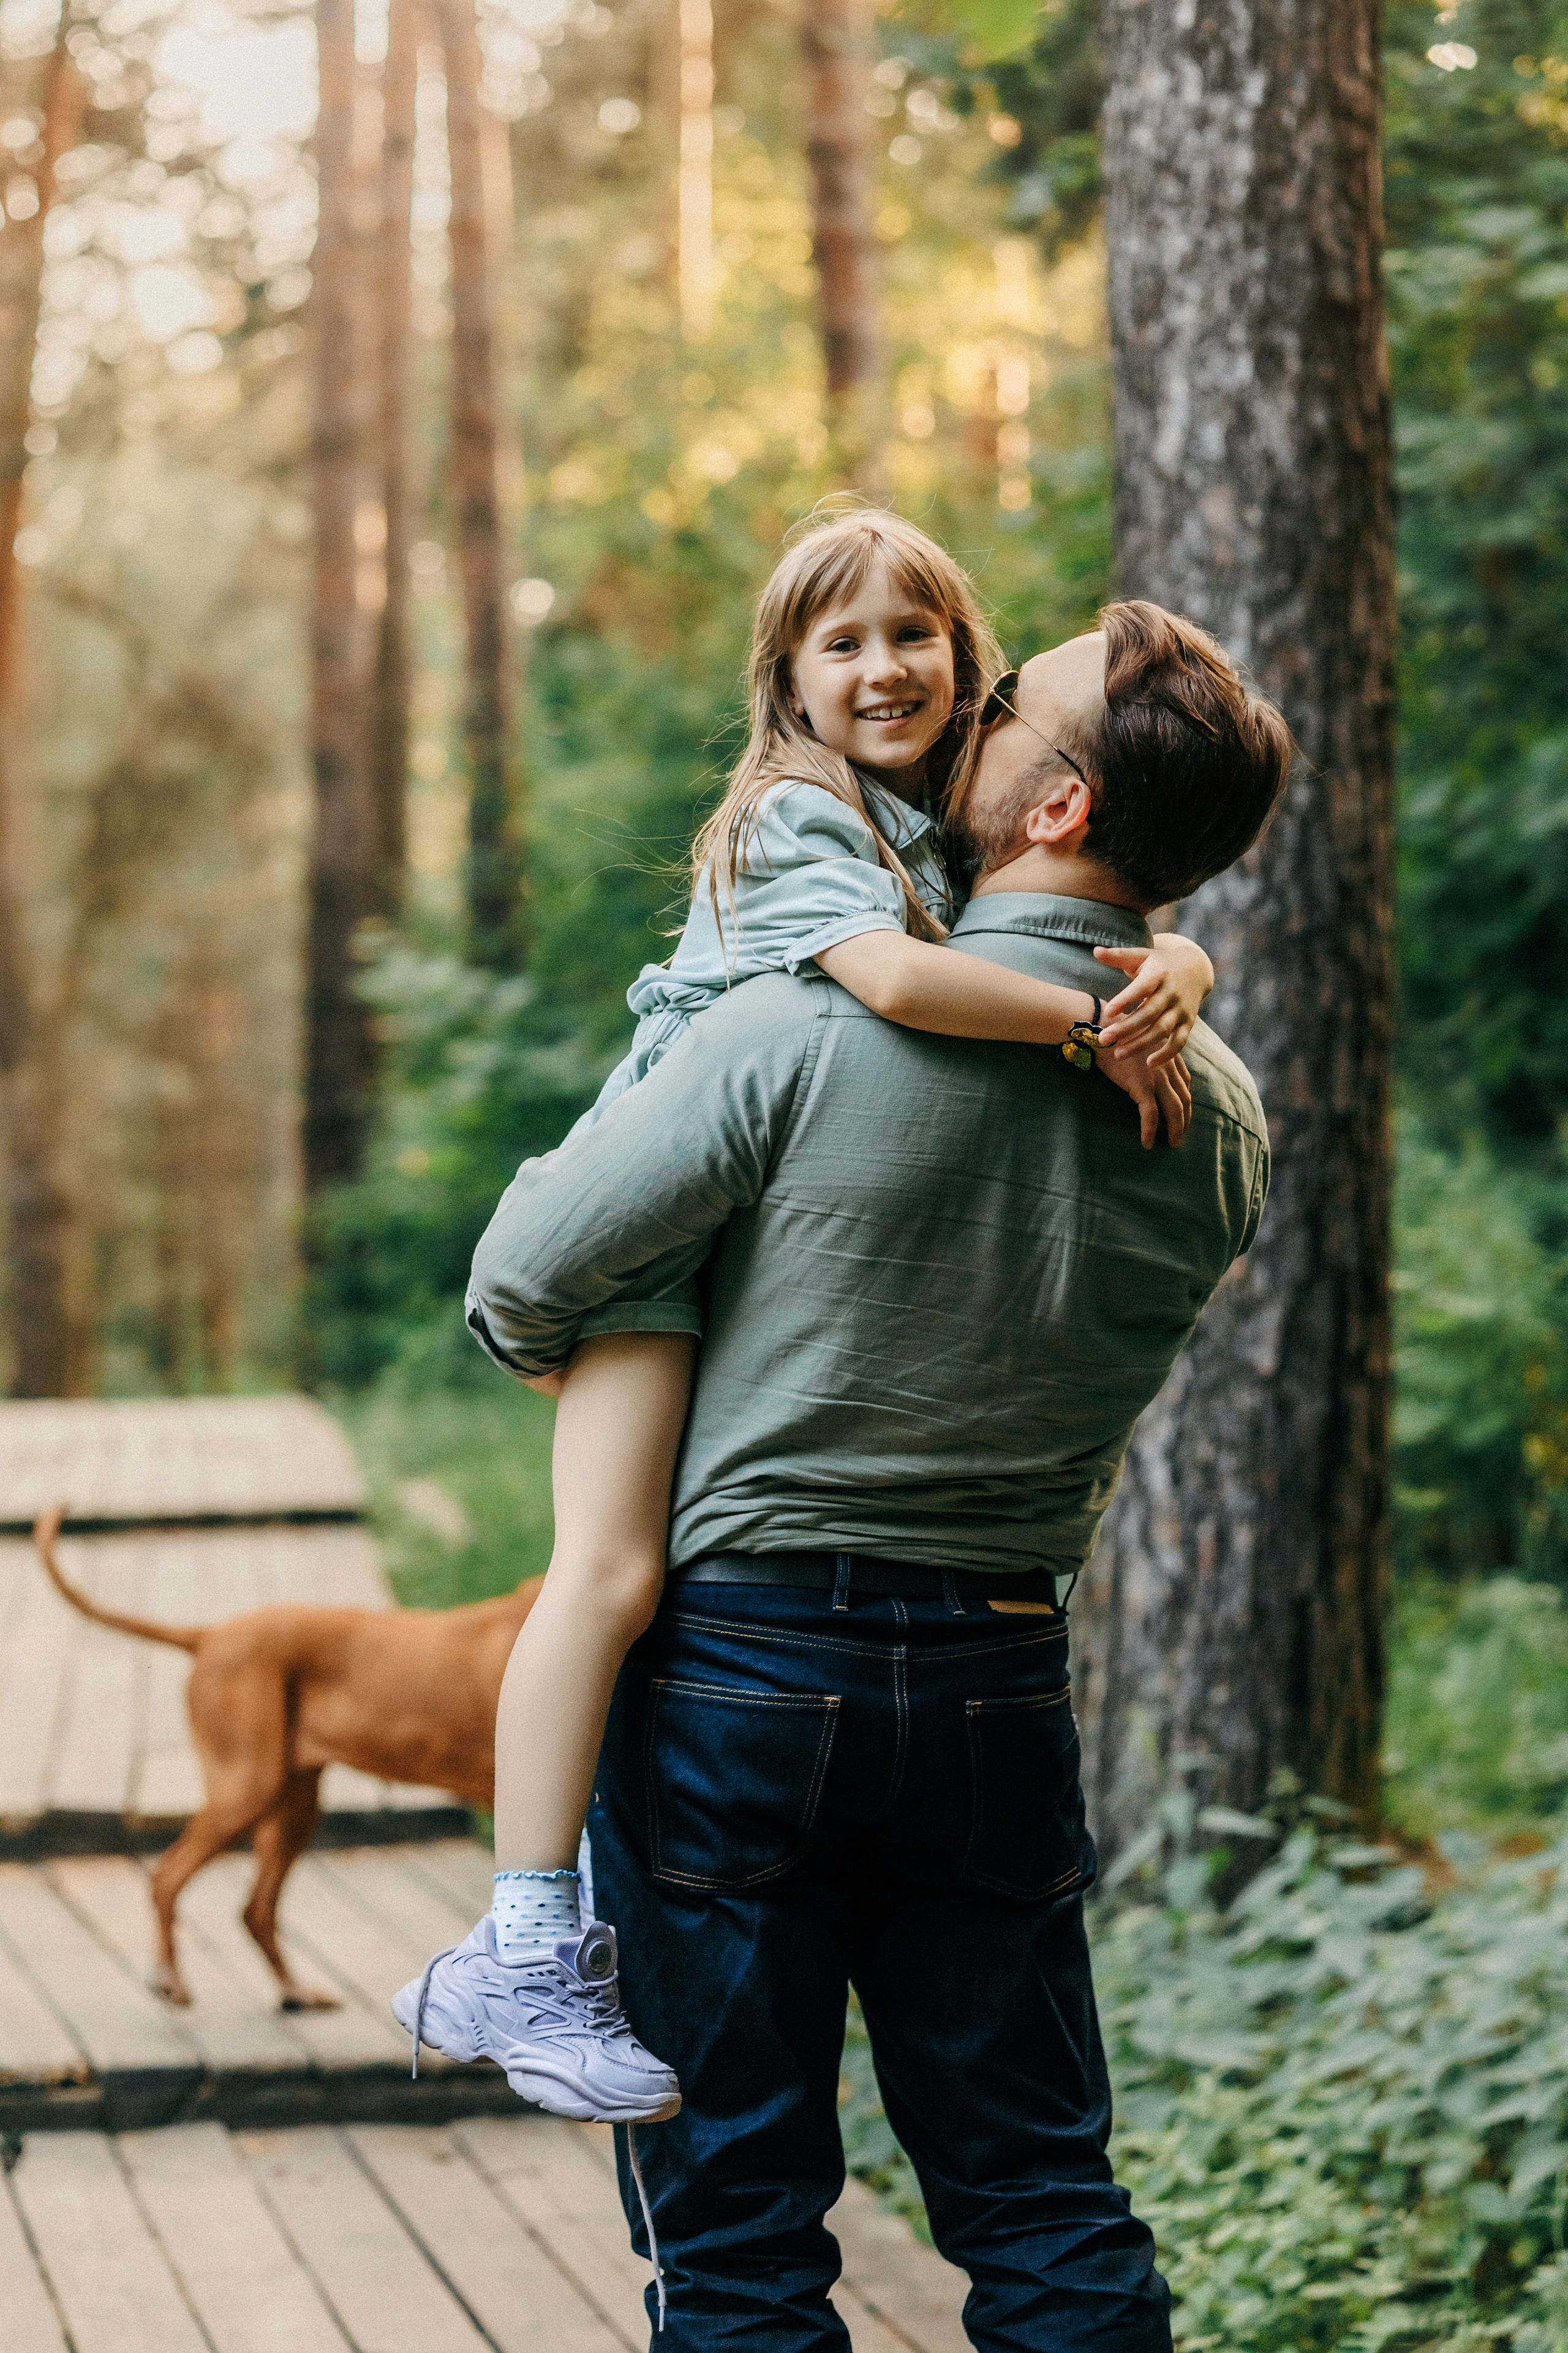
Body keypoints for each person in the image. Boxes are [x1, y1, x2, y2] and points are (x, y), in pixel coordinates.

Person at [405, 595, 1290, 2348]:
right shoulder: (1222, 1114)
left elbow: (521, 1275)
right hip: (1000, 1679)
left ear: (1056, 807)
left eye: (1010, 704)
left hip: (739, 1676)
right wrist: (1168, 976)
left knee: (737, 2234)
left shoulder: (800, 1021)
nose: (969, 711)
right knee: (1042, 2193)